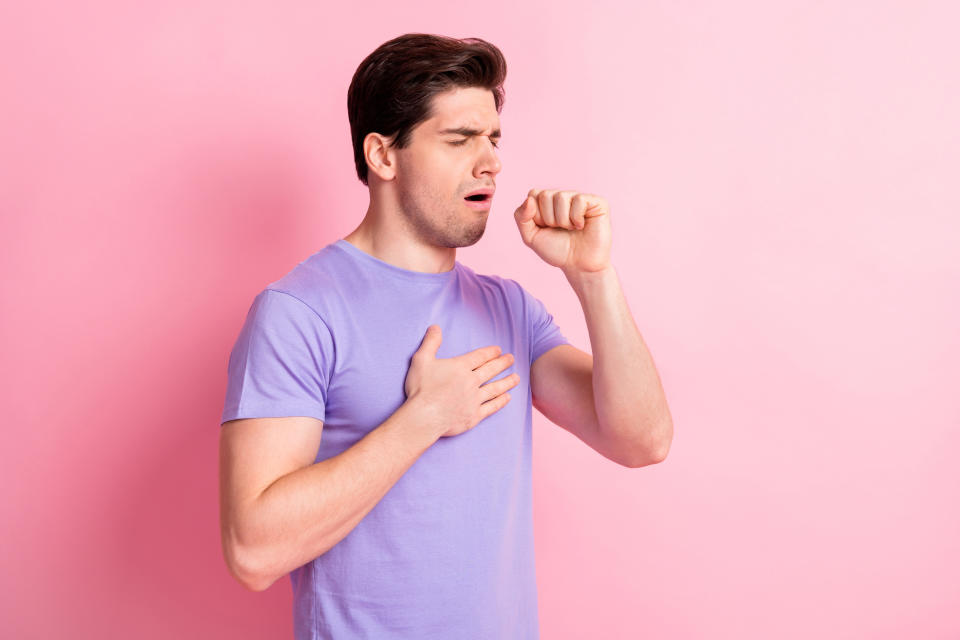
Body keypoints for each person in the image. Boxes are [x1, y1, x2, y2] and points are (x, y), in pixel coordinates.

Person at [218, 32, 673, 639]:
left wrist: (593, 278)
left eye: (493, 138)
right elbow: (253, 551)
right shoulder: (299, 312)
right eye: (459, 139)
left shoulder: (509, 307)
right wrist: (424, 419)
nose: (490, 161)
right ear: (384, 156)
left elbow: (642, 440)